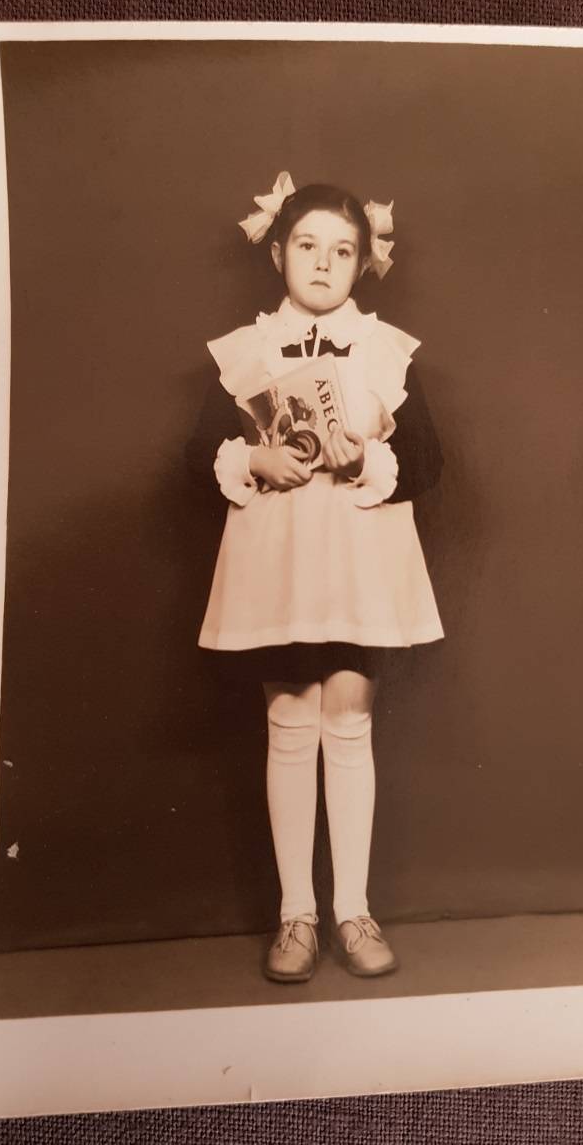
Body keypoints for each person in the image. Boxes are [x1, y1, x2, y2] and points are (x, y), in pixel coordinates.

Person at [187, 172, 444, 983]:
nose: (324, 263)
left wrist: (367, 457)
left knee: (350, 719)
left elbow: (428, 461)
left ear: (364, 262)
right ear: (277, 254)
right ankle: (296, 913)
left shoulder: (386, 349)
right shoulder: (248, 349)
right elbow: (198, 455)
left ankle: (352, 910)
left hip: (357, 562)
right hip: (283, 565)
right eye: (307, 245)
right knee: (290, 719)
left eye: (342, 250)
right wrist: (253, 458)